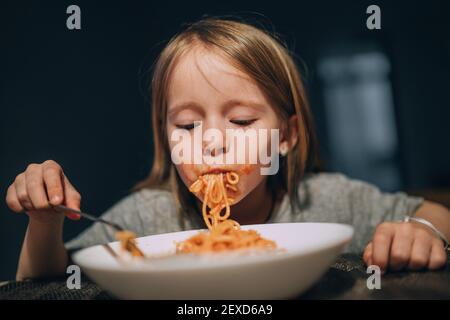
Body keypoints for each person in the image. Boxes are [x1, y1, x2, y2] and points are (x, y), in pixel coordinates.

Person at [6, 18, 449, 281]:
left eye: (241, 121)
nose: (213, 141)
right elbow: (47, 281)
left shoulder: (329, 202)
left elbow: (437, 213)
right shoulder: (144, 219)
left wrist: (422, 231)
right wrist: (45, 223)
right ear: (166, 138)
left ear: (287, 136)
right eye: (186, 124)